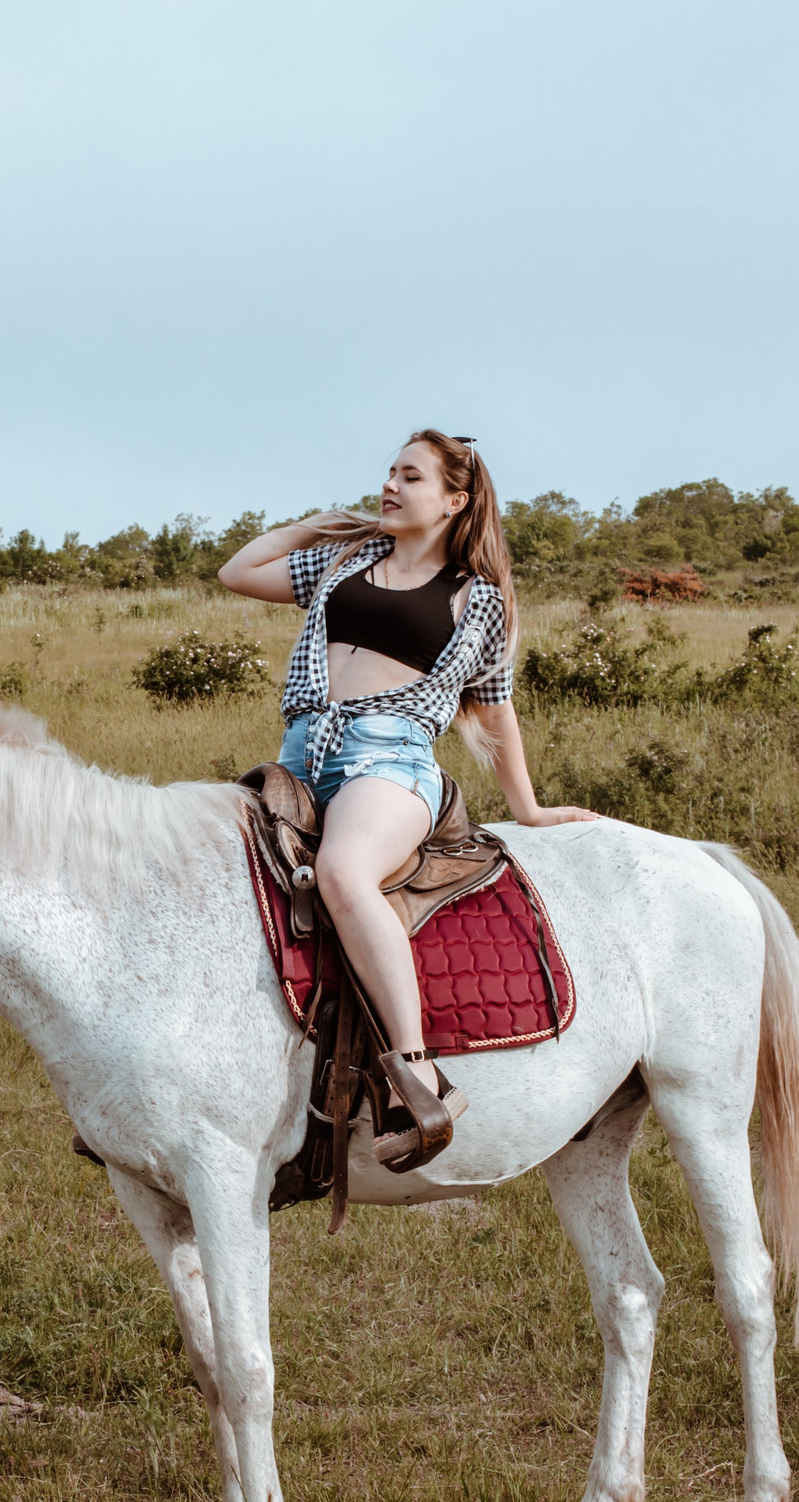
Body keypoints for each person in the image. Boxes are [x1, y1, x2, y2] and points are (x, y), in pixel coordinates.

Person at [218, 430, 593, 1162]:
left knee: (343, 872)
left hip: (390, 761)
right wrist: (322, 524)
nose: (390, 484)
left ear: (455, 500)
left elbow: (495, 710)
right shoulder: (345, 560)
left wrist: (528, 809)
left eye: (411, 476)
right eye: (390, 471)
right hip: (300, 755)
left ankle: (416, 1077)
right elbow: (238, 571)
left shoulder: (479, 601)